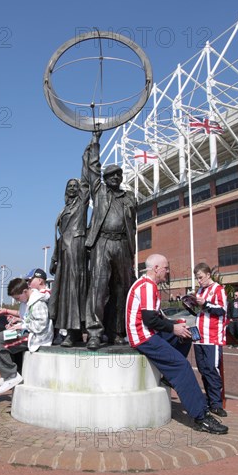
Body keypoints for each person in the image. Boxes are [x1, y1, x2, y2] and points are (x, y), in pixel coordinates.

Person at [126, 254, 228, 434]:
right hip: (144, 337)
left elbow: (154, 317)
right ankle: (201, 417)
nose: (167, 272)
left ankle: (167, 376)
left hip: (147, 333)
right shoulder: (148, 286)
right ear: (156, 268)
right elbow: (150, 320)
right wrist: (174, 329)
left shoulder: (145, 284)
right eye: (165, 268)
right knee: (182, 367)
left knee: (186, 335)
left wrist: (176, 326)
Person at [85, 130, 137, 349]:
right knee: (98, 288)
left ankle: (117, 331)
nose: (116, 177)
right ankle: (95, 333)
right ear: (105, 179)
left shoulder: (130, 197)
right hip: (102, 243)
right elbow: (92, 169)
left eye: (119, 174)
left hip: (123, 244)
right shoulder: (99, 192)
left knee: (121, 289)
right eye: (112, 175)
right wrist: (95, 142)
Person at [48, 139, 90, 347]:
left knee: (74, 291)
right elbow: (58, 237)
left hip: (76, 249)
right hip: (64, 254)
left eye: (75, 186)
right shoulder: (63, 210)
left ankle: (75, 333)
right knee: (63, 293)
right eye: (69, 186)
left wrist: (87, 155)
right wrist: (54, 258)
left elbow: (85, 182)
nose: (73, 188)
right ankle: (65, 331)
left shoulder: (81, 205)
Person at [0, 278, 53, 394]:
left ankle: (11, 375)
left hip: (36, 337)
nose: (17, 301)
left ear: (25, 291)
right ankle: (8, 374)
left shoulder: (38, 302)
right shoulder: (26, 302)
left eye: (17, 298)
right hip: (28, 332)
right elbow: (27, 318)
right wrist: (17, 322)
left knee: (0, 344)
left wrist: (21, 326)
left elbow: (41, 325)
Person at [193, 263, 228, 418]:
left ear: (208, 274)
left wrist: (205, 303)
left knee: (212, 370)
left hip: (212, 337)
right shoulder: (200, 290)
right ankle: (210, 399)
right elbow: (199, 311)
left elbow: (221, 310)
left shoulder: (218, 289)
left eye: (200, 277)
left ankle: (216, 403)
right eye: (197, 278)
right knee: (203, 370)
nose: (199, 281)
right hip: (199, 337)